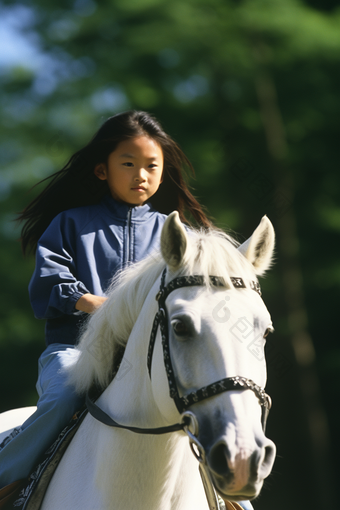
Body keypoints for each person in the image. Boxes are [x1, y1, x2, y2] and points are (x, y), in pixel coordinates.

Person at [0, 110, 254, 510]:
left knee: (201, 398)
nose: (141, 174)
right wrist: (92, 303)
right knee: (65, 396)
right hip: (76, 353)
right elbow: (48, 279)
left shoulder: (179, 236)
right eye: (128, 164)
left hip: (155, 360)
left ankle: (230, 496)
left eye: (152, 166)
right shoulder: (70, 224)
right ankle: (7, 479)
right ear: (102, 171)